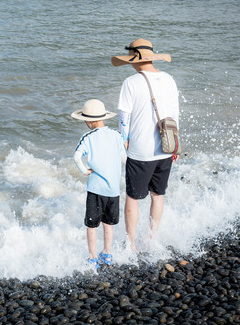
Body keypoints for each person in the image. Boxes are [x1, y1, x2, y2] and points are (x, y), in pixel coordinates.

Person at [111, 38, 179, 251]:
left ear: (134, 59)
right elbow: (175, 115)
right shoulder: (169, 79)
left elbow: (124, 119)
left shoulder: (131, 83)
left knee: (133, 198)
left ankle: (130, 244)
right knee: (157, 195)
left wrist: (123, 143)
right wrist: (175, 145)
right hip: (166, 147)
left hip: (140, 151)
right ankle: (150, 240)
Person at [71, 99, 126, 269]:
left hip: (95, 188)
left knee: (92, 224)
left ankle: (92, 257)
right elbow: (124, 156)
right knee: (108, 223)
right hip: (113, 189)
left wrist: (84, 171)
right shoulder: (116, 135)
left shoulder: (88, 137)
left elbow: (76, 157)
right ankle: (107, 254)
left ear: (88, 121)